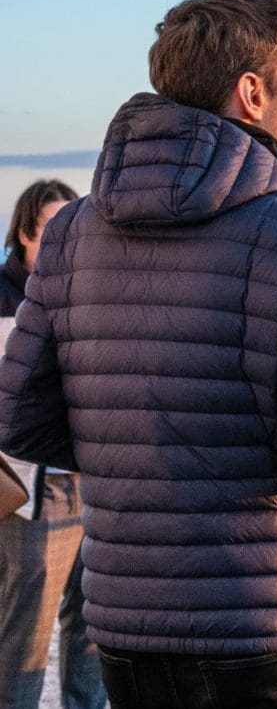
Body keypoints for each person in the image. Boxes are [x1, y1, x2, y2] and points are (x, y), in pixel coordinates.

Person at [0, 0, 277, 708]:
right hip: (256, 614)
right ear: (252, 93)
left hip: (125, 619)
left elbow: (17, 417)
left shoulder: (72, 233)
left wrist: (134, 453)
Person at [0, 180, 105, 709]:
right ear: (24, 232)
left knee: (93, 632)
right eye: (51, 227)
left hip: (96, 485)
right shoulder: (4, 296)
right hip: (32, 493)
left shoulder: (91, 292)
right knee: (25, 639)